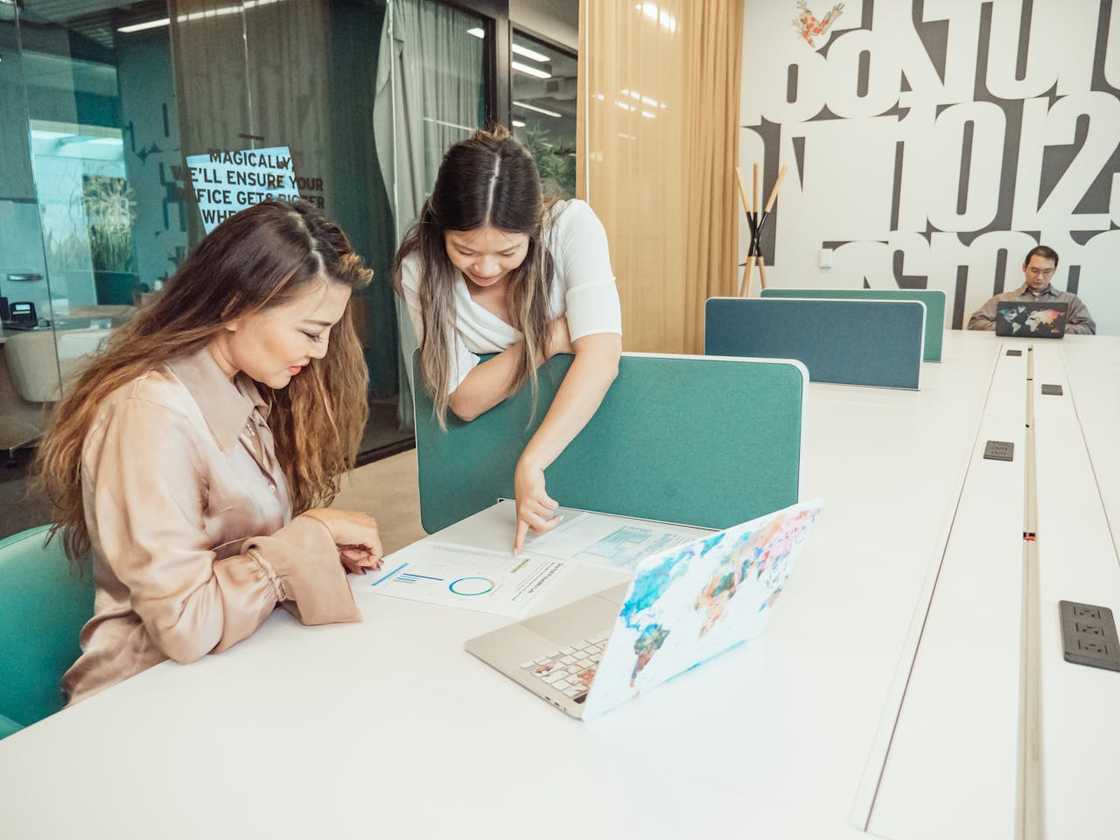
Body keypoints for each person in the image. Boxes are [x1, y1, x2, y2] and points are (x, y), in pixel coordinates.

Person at [35, 199, 385, 705]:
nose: (322, 352)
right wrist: (310, 536)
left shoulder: (246, 394)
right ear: (233, 307)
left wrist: (311, 553)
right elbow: (185, 625)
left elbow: (226, 544)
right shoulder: (151, 415)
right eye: (311, 332)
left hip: (226, 673)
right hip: (139, 700)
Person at [394, 127, 622, 551]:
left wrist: (532, 461)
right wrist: (547, 339)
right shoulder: (420, 268)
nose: (484, 268)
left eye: (507, 252)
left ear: (533, 232)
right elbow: (461, 398)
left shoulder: (571, 227)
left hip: (584, 424)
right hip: (483, 459)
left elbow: (602, 358)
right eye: (464, 250)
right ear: (441, 229)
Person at [967, 245, 1096, 334]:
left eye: (1047, 271)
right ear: (1024, 268)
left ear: (1054, 271)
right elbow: (974, 323)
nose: (1040, 277)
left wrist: (1052, 328)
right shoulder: (1004, 299)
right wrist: (1010, 327)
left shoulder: (1070, 301)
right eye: (1034, 270)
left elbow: (1089, 329)